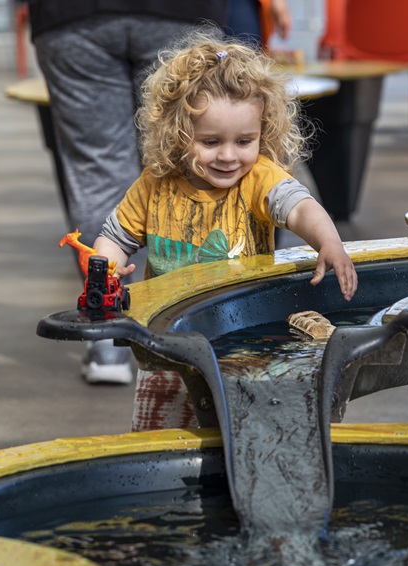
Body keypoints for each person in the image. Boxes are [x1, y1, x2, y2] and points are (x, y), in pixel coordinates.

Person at [93, 31, 358, 431]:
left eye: (244, 141)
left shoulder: (258, 179)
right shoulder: (155, 184)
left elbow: (300, 207)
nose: (229, 156)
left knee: (241, 434)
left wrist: (328, 241)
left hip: (243, 343)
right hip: (167, 345)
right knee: (160, 435)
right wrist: (106, 269)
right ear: (178, 134)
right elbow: (116, 237)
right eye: (211, 141)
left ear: (262, 134)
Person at [27, 1, 229, 384]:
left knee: (97, 168)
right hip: (182, 12)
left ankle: (107, 341)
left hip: (71, 17)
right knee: (194, 162)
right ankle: (195, 334)